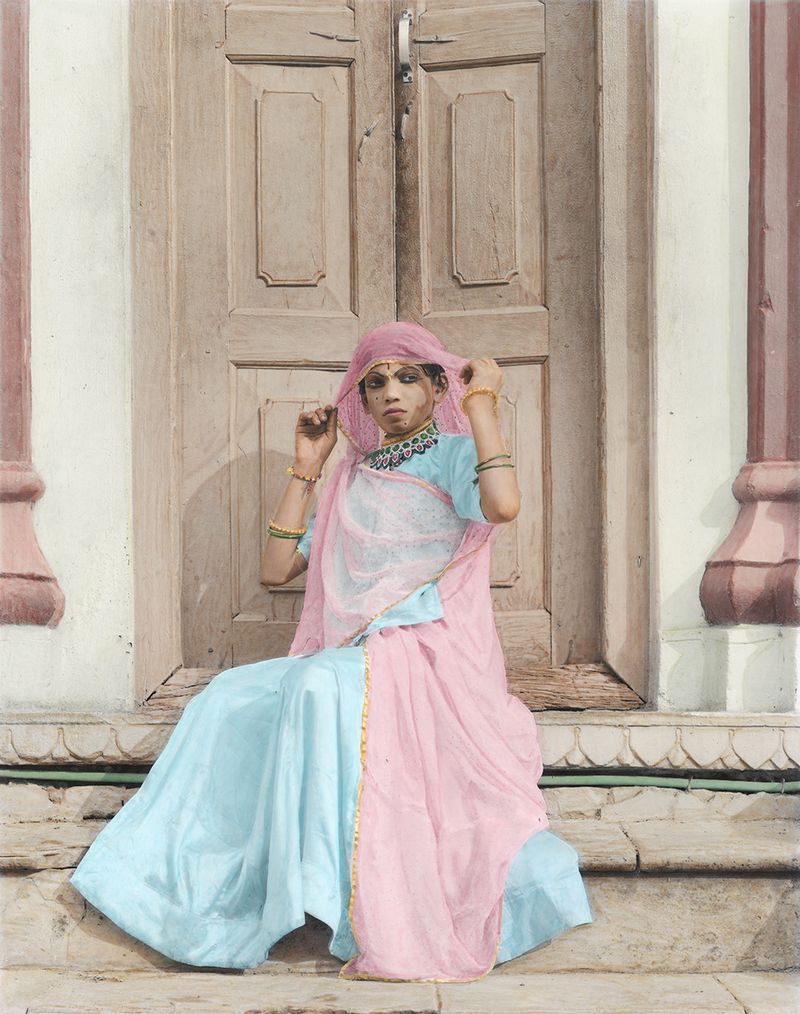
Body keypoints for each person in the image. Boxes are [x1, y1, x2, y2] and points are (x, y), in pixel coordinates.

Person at [70, 320, 593, 983]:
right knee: (227, 696)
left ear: (437, 388)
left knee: (315, 686)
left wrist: (483, 401)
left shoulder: (458, 455)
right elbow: (275, 568)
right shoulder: (353, 477)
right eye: (374, 383)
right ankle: (169, 894)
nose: (390, 394)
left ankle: (323, 900)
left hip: (423, 652)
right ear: (362, 401)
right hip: (353, 655)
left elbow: (505, 503)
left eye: (408, 377)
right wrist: (307, 467)